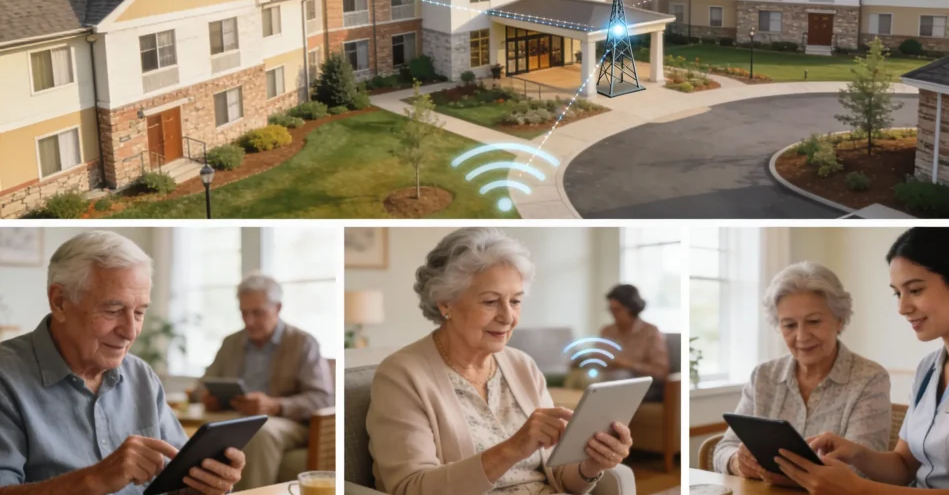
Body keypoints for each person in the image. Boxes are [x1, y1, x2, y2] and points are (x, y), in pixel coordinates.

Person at [366, 227, 634, 495]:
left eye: (515, 301)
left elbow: (560, 478)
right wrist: (512, 448)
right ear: (445, 303)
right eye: (490, 301)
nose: (508, 317)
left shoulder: (523, 366)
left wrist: (592, 464)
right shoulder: (402, 376)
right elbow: (410, 488)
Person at [778, 228, 949, 495]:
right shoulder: (929, 367)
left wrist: (856, 488)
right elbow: (904, 465)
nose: (902, 308)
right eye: (898, 293)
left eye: (915, 290)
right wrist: (856, 453)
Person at [0, 231, 244, 495]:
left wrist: (209, 483)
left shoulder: (141, 375)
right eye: (113, 311)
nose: (130, 332)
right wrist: (92, 481)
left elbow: (178, 483)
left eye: (139, 312)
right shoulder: (6, 377)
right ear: (60, 302)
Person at [713, 261, 891, 486]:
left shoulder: (870, 378)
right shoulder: (763, 376)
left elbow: (861, 471)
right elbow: (723, 449)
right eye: (789, 325)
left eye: (814, 322)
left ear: (839, 320)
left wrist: (786, 478)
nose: (801, 336)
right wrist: (737, 462)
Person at [190, 274, 333, 490]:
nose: (249, 321)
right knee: (194, 431)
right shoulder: (231, 342)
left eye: (258, 313)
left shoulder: (303, 343)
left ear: (278, 308)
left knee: (260, 432)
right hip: (233, 415)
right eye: (244, 313)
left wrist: (275, 405)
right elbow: (201, 387)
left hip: (283, 421)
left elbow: (322, 398)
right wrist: (207, 397)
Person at [599, 284, 670, 401]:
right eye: (611, 310)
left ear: (632, 308)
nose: (613, 314)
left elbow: (660, 371)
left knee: (620, 376)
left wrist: (628, 364)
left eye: (617, 310)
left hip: (639, 383)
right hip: (607, 379)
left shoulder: (651, 332)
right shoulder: (607, 331)